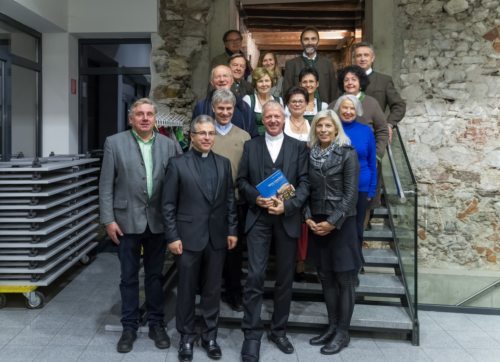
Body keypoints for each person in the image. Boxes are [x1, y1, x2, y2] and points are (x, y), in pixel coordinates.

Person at [99, 98, 178, 353]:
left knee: (155, 277)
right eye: (140, 114)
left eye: (149, 114)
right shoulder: (114, 143)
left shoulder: (170, 144)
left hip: (158, 222)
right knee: (128, 277)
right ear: (131, 118)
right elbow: (106, 185)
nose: (145, 118)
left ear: (155, 118)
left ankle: (157, 324)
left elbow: (177, 185)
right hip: (125, 222)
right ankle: (129, 326)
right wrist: (108, 219)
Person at [237, 101, 309, 362]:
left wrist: (287, 205)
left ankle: (279, 330)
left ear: (284, 117)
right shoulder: (251, 145)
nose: (273, 120)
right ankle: (252, 335)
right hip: (258, 219)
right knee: (255, 276)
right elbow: (241, 181)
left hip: (286, 219)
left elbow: (304, 183)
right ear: (262, 119)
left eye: (277, 116)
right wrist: (256, 198)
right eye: (268, 116)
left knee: (284, 278)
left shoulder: (299, 147)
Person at [163, 115, 238, 362]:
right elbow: (168, 205)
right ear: (192, 136)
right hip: (187, 238)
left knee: (212, 290)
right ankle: (186, 337)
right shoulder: (177, 164)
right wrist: (172, 236)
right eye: (202, 133)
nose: (207, 137)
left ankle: (209, 336)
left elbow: (229, 201)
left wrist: (232, 230)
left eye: (211, 133)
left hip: (216, 238)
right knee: (185, 290)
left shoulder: (224, 163)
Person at [304, 109, 361, 355]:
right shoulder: (309, 155)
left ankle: (343, 332)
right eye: (319, 126)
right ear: (315, 129)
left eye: (328, 126)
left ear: (336, 128)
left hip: (342, 223)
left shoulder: (348, 154)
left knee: (345, 279)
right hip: (316, 220)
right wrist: (307, 217)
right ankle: (332, 326)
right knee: (325, 276)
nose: (324, 130)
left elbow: (350, 195)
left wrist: (333, 221)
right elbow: (302, 186)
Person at [211, 89, 251, 312]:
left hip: (236, 202)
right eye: (221, 108)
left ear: (234, 109)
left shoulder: (244, 136)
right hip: (209, 204)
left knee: (234, 252)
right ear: (213, 109)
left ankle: (234, 292)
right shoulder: (205, 133)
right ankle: (211, 290)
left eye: (229, 108)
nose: (225, 112)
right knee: (212, 250)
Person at [332, 95, 377, 265]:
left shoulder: (366, 131)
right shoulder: (333, 129)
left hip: (361, 187)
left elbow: (372, 162)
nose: (348, 111)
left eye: (352, 108)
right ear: (339, 109)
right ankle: (340, 261)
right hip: (337, 188)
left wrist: (371, 189)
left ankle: (356, 262)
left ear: (357, 111)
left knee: (357, 228)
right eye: (345, 108)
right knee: (339, 225)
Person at [329, 65, 388, 161]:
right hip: (339, 161)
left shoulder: (372, 103)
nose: (350, 83)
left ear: (361, 83)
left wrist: (377, 155)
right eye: (346, 80)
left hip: (367, 159)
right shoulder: (333, 106)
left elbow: (382, 131)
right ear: (342, 83)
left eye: (354, 79)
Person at [283, 86, 310, 282]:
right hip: (286, 180)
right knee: (288, 219)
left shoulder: (314, 124)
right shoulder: (282, 124)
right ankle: (286, 264)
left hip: (307, 178)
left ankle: (302, 264)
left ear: (307, 104)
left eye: (301, 101)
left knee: (304, 223)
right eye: (293, 101)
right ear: (288, 104)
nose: (297, 104)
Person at [352, 42, 406, 142]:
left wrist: (389, 124)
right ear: (354, 59)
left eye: (366, 55)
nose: (362, 59)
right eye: (359, 55)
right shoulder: (347, 81)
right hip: (350, 133)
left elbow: (399, 105)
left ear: (372, 58)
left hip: (375, 135)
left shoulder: (384, 80)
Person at [193, 65, 258, 138]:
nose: (222, 79)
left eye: (225, 76)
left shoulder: (244, 107)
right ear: (212, 82)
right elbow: (194, 136)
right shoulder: (201, 107)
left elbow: (253, 136)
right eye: (217, 77)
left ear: (232, 80)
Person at [283, 26, 339, 104]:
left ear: (318, 42)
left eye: (313, 39)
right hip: (299, 110)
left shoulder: (327, 64)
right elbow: (286, 92)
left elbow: (334, 91)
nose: (310, 42)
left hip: (324, 110)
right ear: (301, 42)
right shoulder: (291, 64)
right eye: (306, 39)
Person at [243, 67, 283, 135]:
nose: (264, 84)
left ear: (271, 82)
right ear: (255, 84)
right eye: (260, 81)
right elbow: (244, 125)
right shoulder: (248, 100)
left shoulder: (279, 100)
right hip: (254, 140)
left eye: (267, 81)